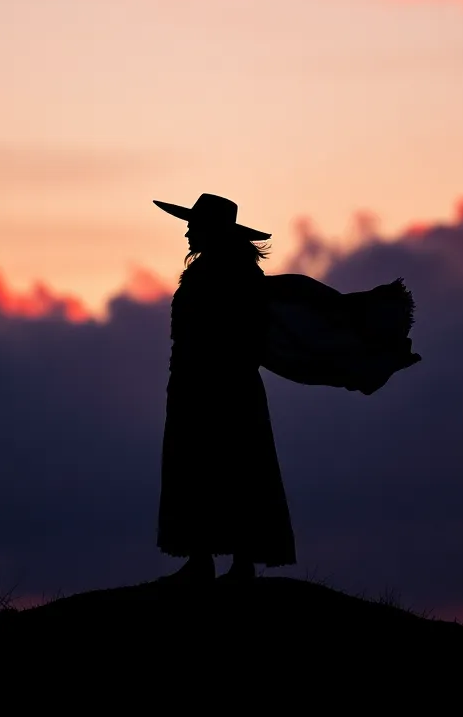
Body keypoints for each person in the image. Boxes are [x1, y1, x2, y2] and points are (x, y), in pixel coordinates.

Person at [153, 193, 420, 583]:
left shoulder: (232, 278)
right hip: (198, 385)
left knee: (233, 468)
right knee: (203, 466)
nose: (189, 232)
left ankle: (230, 562)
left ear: (212, 231)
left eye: (195, 225)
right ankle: (204, 558)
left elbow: (240, 333)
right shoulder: (220, 275)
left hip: (222, 388)